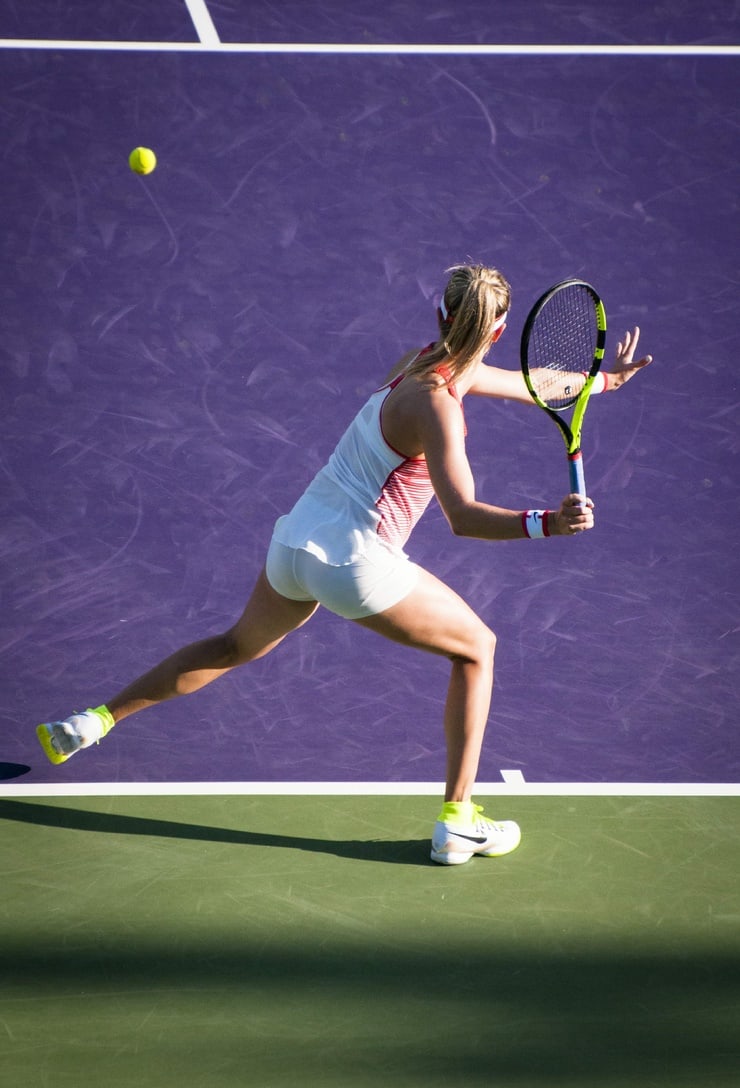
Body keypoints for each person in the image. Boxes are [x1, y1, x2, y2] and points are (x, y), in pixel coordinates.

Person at [36, 264, 652, 865]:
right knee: (477, 649)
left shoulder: (417, 363)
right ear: (494, 333)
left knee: (231, 646)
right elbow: (462, 516)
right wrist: (550, 521)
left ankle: (93, 721)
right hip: (356, 561)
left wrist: (602, 382)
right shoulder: (440, 410)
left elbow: (526, 382)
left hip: (296, 546)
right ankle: (458, 823)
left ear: (442, 318)